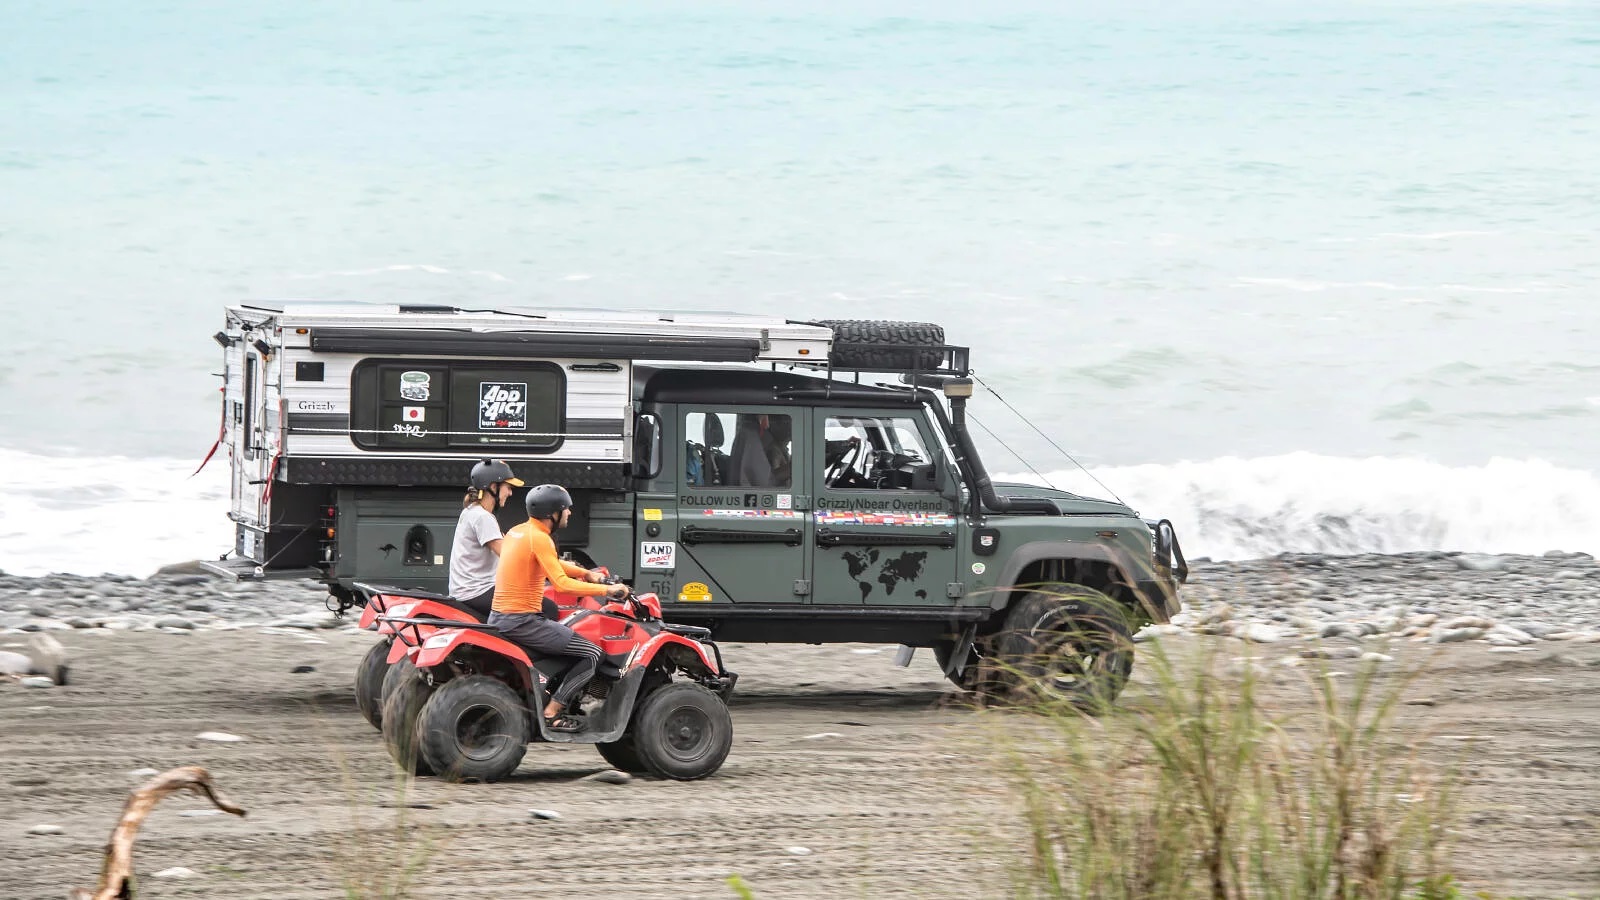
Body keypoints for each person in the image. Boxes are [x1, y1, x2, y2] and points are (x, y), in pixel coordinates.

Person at [489, 484, 627, 733]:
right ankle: (552, 712)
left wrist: (587, 573)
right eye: (566, 509)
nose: (570, 514)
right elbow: (561, 584)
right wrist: (607, 591)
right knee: (592, 654)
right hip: (523, 621)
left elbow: (552, 564)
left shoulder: (517, 532)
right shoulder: (541, 538)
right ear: (553, 513)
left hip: (502, 616)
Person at [448, 459, 523, 617]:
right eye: (508, 487)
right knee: (546, 607)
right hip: (477, 591)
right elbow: (508, 556)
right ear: (493, 487)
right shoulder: (482, 517)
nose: (510, 493)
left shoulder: (471, 511)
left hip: (469, 590)